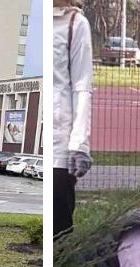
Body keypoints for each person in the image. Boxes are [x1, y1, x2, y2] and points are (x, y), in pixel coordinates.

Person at [53, 0, 93, 236]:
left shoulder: (75, 23)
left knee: (58, 233)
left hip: (59, 149)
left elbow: (82, 87)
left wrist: (79, 144)